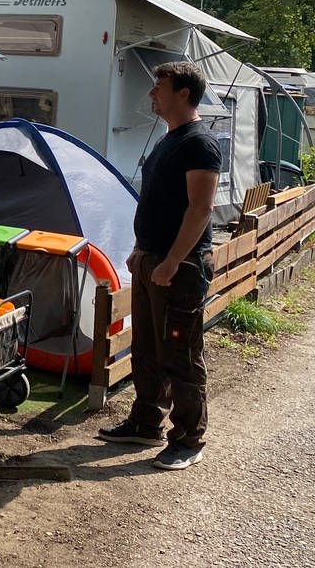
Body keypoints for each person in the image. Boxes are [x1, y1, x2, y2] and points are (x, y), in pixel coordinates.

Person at [97, 60, 221, 471]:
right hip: (152, 259)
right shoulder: (170, 139)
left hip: (180, 268)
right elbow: (156, 203)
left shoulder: (199, 143)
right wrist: (140, 248)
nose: (151, 94)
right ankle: (145, 421)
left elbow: (201, 209)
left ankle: (189, 438)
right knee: (147, 349)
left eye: (158, 87)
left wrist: (171, 260)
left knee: (180, 356)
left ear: (183, 93)